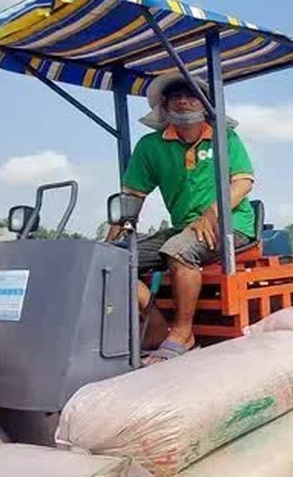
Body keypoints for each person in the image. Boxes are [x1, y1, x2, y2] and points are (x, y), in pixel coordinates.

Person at [106, 73, 256, 364]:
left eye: (192, 95)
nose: (184, 101)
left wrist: (210, 215)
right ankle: (158, 328)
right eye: (176, 96)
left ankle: (184, 334)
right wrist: (107, 242)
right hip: (182, 227)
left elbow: (242, 183)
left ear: (204, 104)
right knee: (110, 260)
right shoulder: (151, 146)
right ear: (165, 105)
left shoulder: (226, 138)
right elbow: (132, 197)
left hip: (231, 224)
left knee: (179, 250)